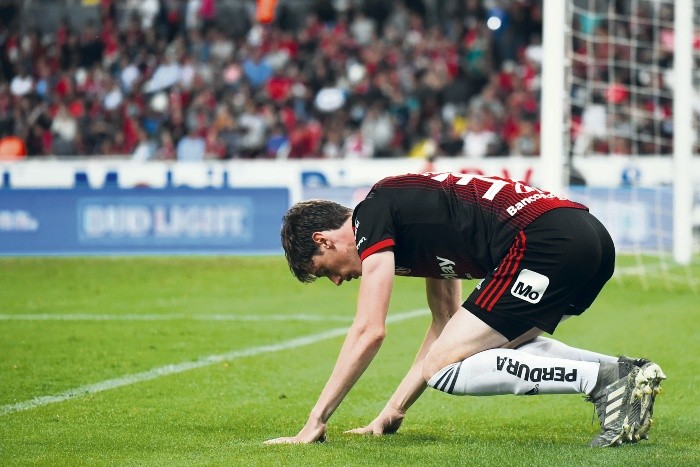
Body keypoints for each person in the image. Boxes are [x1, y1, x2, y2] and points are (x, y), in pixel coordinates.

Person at [267, 171, 666, 447]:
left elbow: (369, 329)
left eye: (324, 271)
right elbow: (446, 323)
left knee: (442, 368)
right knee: (481, 346)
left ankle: (601, 381)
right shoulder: (408, 218)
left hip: (545, 241)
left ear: (323, 241)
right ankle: (625, 373)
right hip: (587, 236)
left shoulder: (371, 215)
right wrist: (390, 413)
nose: (337, 281)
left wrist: (315, 421)